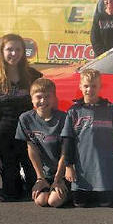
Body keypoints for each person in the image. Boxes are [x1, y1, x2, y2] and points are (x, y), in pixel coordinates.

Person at [0, 33, 42, 200]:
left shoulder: (34, 76)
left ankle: (27, 177)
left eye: (18, 49)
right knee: (11, 192)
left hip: (29, 138)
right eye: (9, 49)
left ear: (23, 52)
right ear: (2, 51)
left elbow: (45, 108)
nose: (14, 53)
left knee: (35, 191)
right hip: (5, 138)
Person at [62, 69, 113, 208]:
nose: (90, 89)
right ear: (80, 87)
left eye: (94, 86)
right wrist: (69, 166)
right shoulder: (74, 111)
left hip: (105, 170)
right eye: (86, 86)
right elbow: (67, 141)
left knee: (106, 203)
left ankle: (103, 189)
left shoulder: (109, 108)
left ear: (100, 87)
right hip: (82, 170)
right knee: (79, 203)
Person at [15, 78, 69, 208]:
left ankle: (70, 190)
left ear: (54, 98)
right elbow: (31, 149)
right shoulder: (26, 119)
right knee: (41, 201)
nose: (43, 101)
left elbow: (65, 152)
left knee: (53, 201)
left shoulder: (63, 118)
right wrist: (40, 178)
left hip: (62, 171)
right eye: (39, 97)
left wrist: (58, 179)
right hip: (45, 172)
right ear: (32, 99)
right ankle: (46, 183)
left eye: (47, 96)